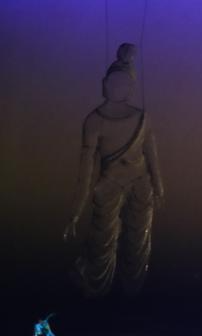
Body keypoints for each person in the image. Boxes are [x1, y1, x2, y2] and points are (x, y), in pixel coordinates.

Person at [65, 42, 164, 297]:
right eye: (113, 83)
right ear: (104, 84)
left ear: (132, 88)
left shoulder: (142, 118)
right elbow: (86, 171)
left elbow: (151, 154)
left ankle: (132, 291)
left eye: (123, 84)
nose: (117, 88)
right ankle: (97, 289)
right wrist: (76, 211)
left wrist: (159, 186)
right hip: (108, 185)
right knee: (102, 241)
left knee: (138, 241)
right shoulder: (94, 121)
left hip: (140, 184)